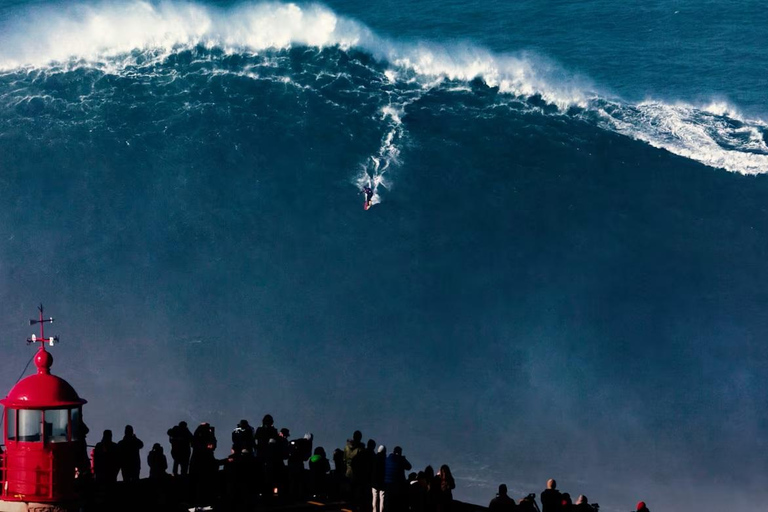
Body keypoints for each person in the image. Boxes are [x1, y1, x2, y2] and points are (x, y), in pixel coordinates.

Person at [384, 446, 412, 512]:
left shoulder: (387, 459)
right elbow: (409, 467)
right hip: (397, 485)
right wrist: (403, 458)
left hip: (387, 484)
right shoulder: (401, 459)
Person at [371, 445, 386, 512]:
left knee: (374, 498)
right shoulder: (385, 460)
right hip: (382, 481)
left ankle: (374, 511)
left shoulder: (374, 458)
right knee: (382, 498)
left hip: (374, 481)